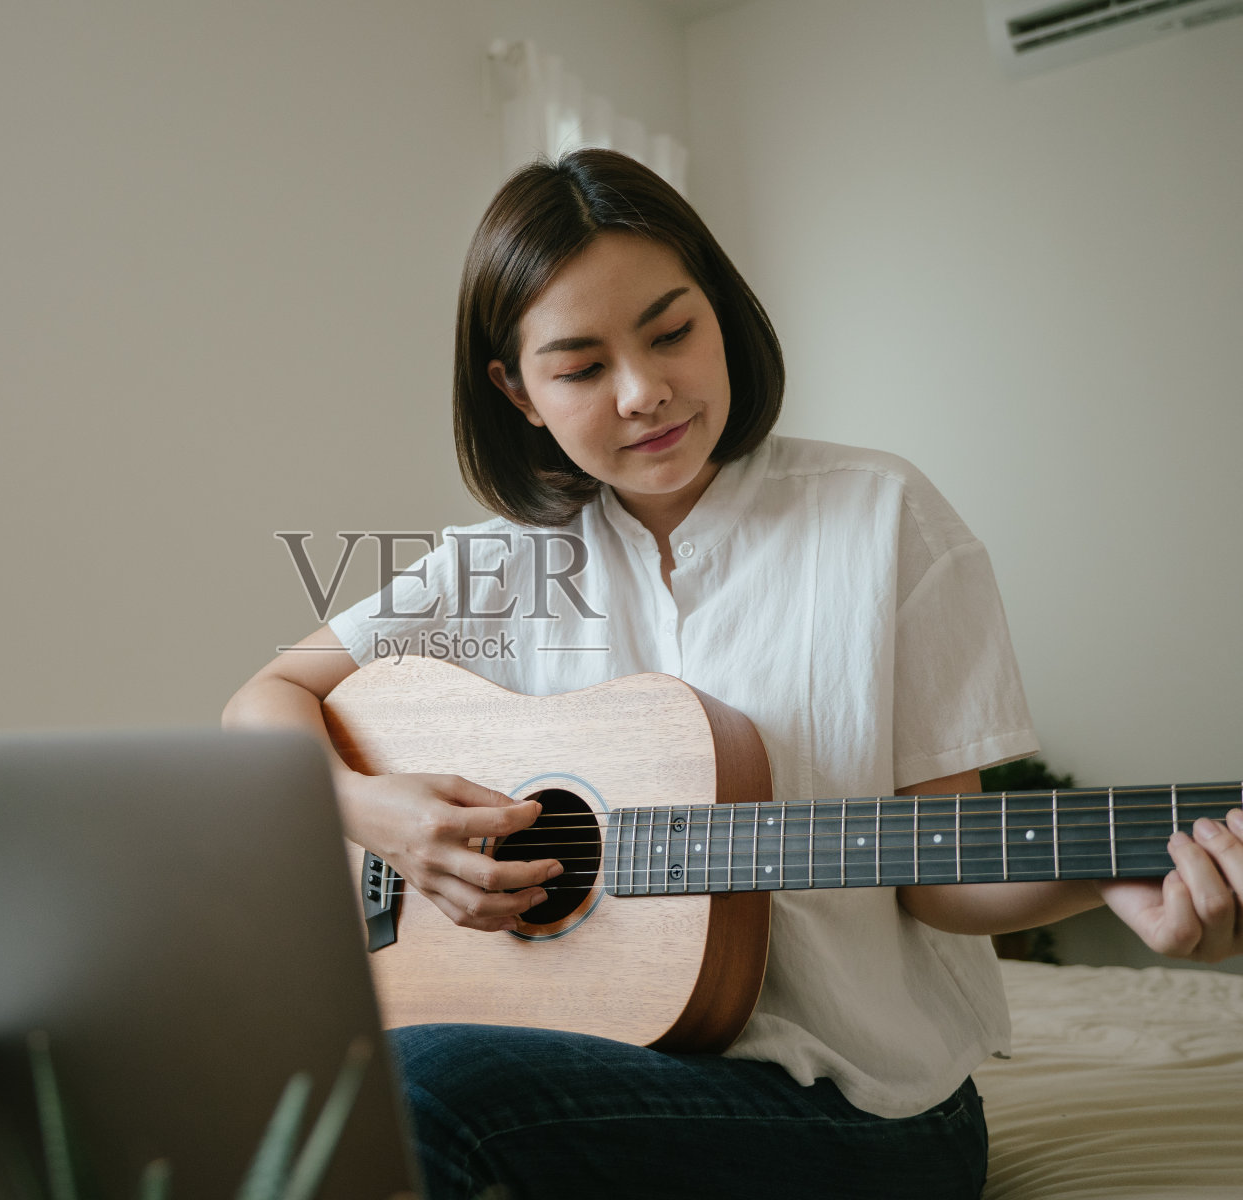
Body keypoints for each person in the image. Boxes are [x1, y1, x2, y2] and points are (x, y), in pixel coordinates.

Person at [222, 149, 1243, 1199]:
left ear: (721, 311)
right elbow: (263, 700)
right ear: (515, 392)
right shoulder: (497, 563)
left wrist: (1117, 872)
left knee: (416, 1097)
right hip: (595, 1062)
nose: (643, 391)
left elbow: (944, 878)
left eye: (671, 331)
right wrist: (377, 812)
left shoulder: (882, 516)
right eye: (578, 367)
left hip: (866, 1111)